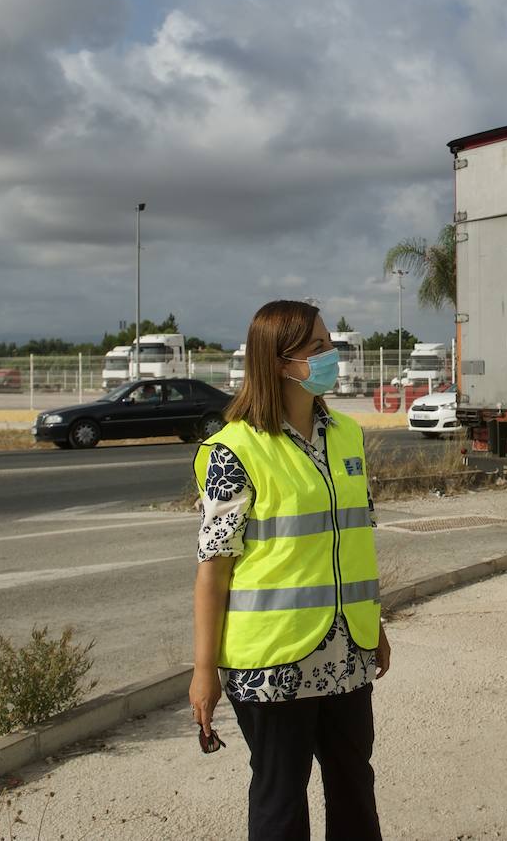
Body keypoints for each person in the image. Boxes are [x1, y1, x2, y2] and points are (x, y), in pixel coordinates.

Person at [188, 300, 390, 841]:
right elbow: (213, 570)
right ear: (280, 363)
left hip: (347, 649)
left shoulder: (345, 435)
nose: (332, 355)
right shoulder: (235, 450)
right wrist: (203, 671)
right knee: (280, 799)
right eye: (318, 347)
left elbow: (350, 544)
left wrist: (377, 632)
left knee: (354, 786)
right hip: (271, 662)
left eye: (330, 344)